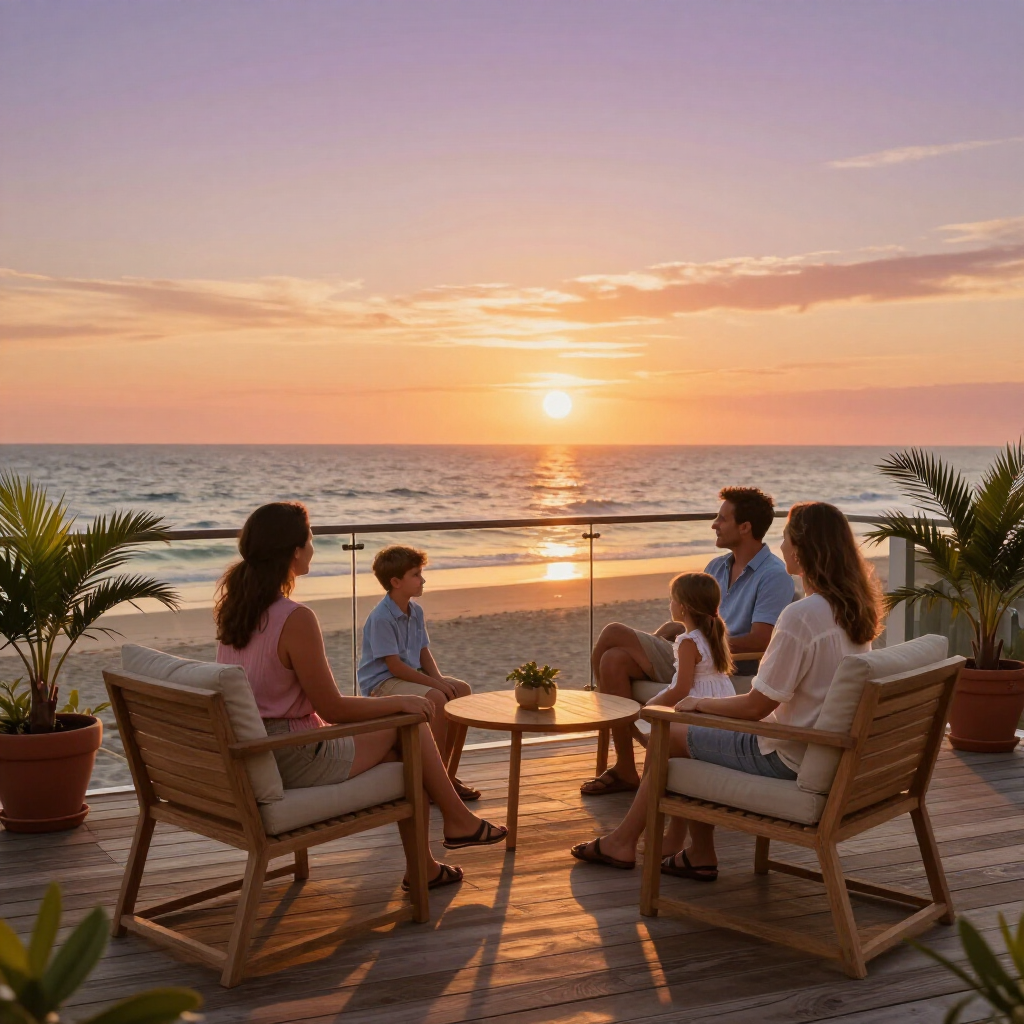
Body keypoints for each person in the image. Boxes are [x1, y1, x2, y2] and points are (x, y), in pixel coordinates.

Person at [570, 501, 882, 878]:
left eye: (785, 538)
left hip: (783, 753)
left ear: (801, 548)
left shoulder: (801, 617)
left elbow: (755, 707)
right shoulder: (854, 612)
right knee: (691, 725)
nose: (781, 546)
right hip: (823, 751)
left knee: (671, 732)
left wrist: (698, 704)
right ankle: (694, 850)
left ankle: (625, 841)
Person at [215, 502, 506, 893]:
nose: (314, 546)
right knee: (410, 728)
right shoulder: (294, 618)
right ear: (295, 551)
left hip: (258, 752)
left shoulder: (235, 610)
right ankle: (453, 824)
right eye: (311, 538)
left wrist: (394, 702)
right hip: (294, 753)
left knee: (408, 746)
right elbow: (332, 709)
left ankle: (433, 856)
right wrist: (399, 702)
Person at [582, 486, 795, 795]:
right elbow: (702, 618)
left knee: (614, 632)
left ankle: (600, 711)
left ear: (745, 527)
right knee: (612, 660)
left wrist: (699, 645)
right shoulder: (716, 567)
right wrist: (678, 632)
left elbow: (762, 639)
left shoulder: (774, 575)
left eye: (722, 518)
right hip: (694, 655)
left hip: (721, 666)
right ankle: (626, 768)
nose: (714, 524)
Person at [358, 545, 479, 802]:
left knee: (461, 690)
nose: (422, 579)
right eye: (415, 574)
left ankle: (445, 773)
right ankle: (435, 781)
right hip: (382, 683)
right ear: (396, 582)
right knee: (436, 698)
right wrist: (436, 687)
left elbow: (423, 653)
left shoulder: (416, 611)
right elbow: (395, 667)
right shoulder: (381, 617)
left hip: (409, 676)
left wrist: (440, 680)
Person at [637, 572, 736, 713]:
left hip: (699, 706)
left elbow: (681, 690)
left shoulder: (688, 642)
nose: (670, 604)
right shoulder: (711, 633)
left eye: (672, 599)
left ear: (684, 607)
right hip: (720, 701)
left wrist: (649, 706)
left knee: (648, 713)